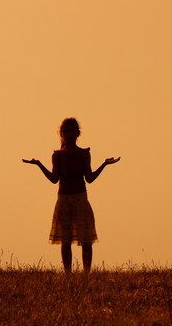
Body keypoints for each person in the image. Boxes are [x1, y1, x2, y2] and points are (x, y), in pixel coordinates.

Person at [23, 117, 120, 273]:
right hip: (63, 201)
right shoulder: (57, 156)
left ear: (77, 134)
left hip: (81, 199)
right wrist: (39, 164)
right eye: (65, 131)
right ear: (61, 134)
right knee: (65, 241)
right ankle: (68, 274)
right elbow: (54, 179)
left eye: (71, 131)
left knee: (86, 240)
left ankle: (86, 274)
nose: (68, 134)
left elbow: (89, 178)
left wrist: (104, 164)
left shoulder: (84, 154)